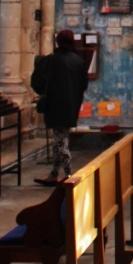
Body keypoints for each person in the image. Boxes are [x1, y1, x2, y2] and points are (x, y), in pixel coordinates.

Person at [31, 30, 88, 186]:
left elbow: (38, 83)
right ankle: (54, 174)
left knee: (61, 141)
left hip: (56, 106)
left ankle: (70, 176)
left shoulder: (53, 60)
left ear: (58, 42)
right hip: (72, 106)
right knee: (59, 139)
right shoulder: (78, 60)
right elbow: (84, 84)